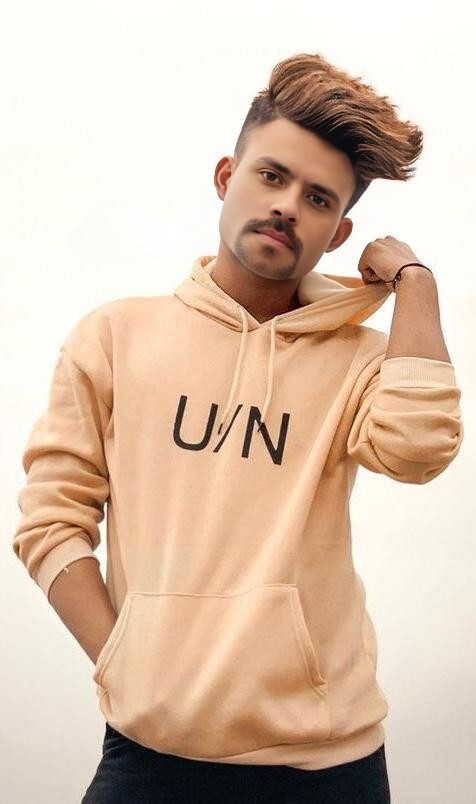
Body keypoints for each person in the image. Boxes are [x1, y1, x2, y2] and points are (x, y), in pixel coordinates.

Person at [12, 51, 464, 803]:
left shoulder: (360, 359)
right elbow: (51, 522)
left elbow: (418, 451)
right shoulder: (116, 337)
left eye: (318, 199)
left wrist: (416, 284)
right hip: (149, 752)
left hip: (328, 763)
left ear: (339, 231)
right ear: (227, 177)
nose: (288, 206)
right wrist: (123, 658)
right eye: (271, 176)